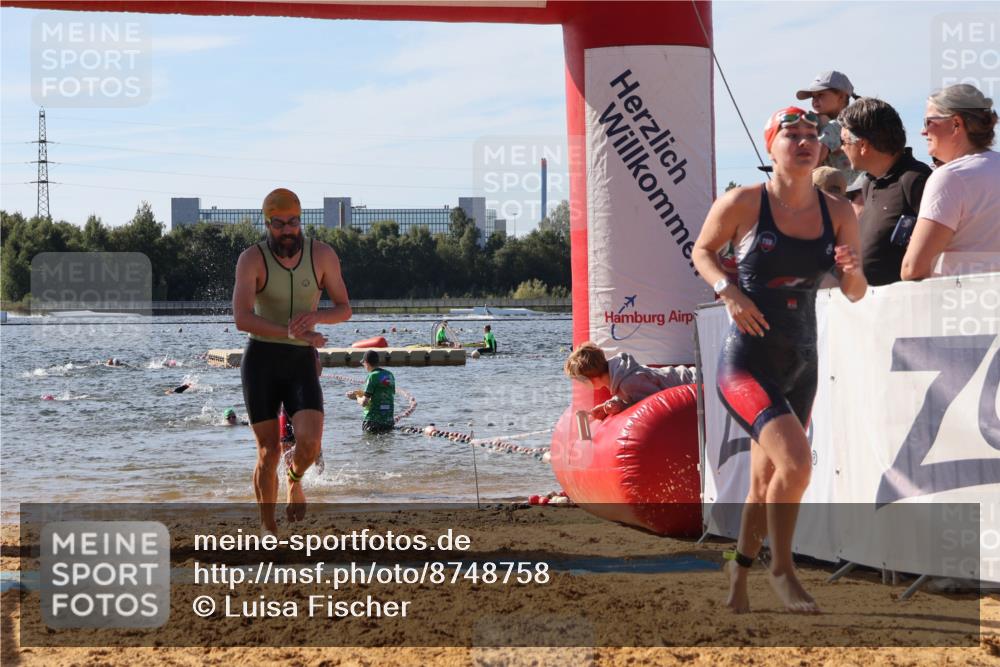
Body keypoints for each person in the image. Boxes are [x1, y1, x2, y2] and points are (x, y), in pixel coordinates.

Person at [691, 107, 866, 614]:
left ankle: (736, 578)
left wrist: (851, 271)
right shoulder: (745, 201)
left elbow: (854, 293)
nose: (805, 142)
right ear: (772, 147)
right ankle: (783, 570)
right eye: (792, 135)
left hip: (801, 361)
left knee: (765, 482)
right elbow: (702, 251)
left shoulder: (839, 211)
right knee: (797, 463)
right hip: (746, 360)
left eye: (813, 135)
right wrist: (728, 292)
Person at [232, 187, 352, 533]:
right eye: (279, 224)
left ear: (302, 221)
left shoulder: (323, 255)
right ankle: (268, 527)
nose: (288, 231)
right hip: (261, 361)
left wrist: (315, 321)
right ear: (267, 224)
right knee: (268, 451)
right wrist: (291, 331)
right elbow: (241, 318)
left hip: (300, 360)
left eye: (294, 222)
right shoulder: (251, 259)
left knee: (310, 443)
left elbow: (344, 308)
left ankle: (295, 479)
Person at [902, 84, 1000, 279]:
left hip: (963, 304)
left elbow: (913, 269)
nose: (923, 131)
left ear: (956, 124)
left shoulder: (950, 177)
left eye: (929, 121)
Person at [837, 97, 932, 286]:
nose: (841, 148)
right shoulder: (869, 184)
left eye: (844, 141)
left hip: (905, 307)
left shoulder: (915, 179)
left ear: (863, 145)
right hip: (868, 306)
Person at [564, 341, 695, 420]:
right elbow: (634, 396)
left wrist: (623, 407)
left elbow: (656, 405)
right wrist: (609, 405)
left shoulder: (629, 383)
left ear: (589, 379)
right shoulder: (621, 377)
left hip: (695, 380)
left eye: (580, 380)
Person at [795, 70, 862, 183]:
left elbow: (815, 157)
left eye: (820, 95)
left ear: (841, 96)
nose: (815, 100)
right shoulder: (855, 121)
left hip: (844, 193)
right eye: (813, 96)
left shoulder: (838, 125)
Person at [347, 350, 395, 433]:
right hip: (388, 421)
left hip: (372, 421)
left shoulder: (372, 376)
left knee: (370, 444)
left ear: (366, 362)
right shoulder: (389, 374)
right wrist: (362, 393)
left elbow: (364, 403)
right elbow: (382, 393)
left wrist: (356, 397)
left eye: (363, 364)